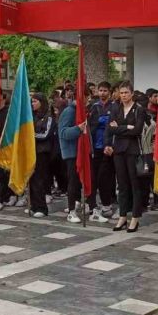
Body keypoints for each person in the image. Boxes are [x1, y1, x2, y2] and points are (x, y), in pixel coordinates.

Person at [106, 81, 146, 232]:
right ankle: (122, 216)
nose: (123, 95)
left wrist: (120, 128)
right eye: (121, 93)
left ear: (132, 93)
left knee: (134, 184)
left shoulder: (139, 110)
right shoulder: (116, 108)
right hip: (118, 150)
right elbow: (110, 128)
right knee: (122, 184)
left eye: (126, 93)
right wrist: (126, 127)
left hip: (133, 150)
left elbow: (137, 130)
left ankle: (135, 217)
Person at [58, 91, 87, 224]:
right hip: (72, 153)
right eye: (84, 97)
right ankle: (71, 210)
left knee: (82, 181)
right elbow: (63, 132)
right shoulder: (69, 111)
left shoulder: (84, 110)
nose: (86, 100)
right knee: (73, 182)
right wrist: (78, 129)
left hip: (83, 151)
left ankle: (79, 202)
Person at [88, 82, 114, 222]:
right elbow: (90, 124)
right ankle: (92, 204)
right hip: (95, 147)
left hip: (108, 147)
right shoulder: (93, 106)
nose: (102, 93)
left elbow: (114, 125)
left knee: (105, 177)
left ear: (109, 92)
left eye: (105, 90)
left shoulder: (114, 106)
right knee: (94, 177)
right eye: (100, 90)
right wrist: (101, 122)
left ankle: (107, 204)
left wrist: (102, 122)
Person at [30, 93, 54, 218]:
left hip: (42, 152)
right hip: (32, 151)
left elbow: (46, 134)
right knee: (32, 179)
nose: (32, 104)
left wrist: (31, 136)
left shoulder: (48, 116)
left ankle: (41, 207)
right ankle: (34, 205)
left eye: (35, 101)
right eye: (32, 101)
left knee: (39, 180)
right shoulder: (31, 115)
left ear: (41, 102)